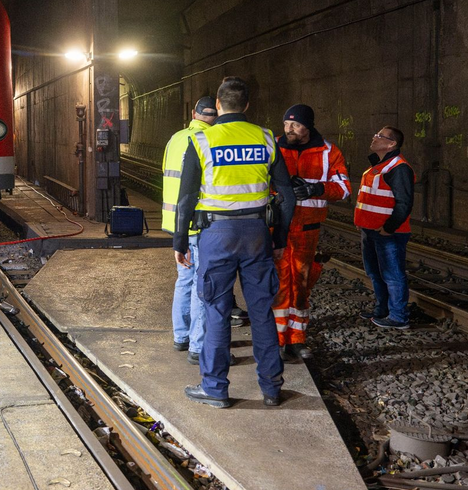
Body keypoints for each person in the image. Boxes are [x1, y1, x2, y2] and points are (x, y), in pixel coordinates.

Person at [174, 76, 295, 408]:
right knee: (261, 311)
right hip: (257, 234)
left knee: (216, 310)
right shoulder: (266, 138)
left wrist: (179, 241)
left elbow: (185, 199)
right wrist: (280, 238)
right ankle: (271, 388)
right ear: (247, 105)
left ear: (217, 103)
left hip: (216, 235)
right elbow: (286, 195)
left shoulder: (202, 140)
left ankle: (215, 389)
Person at [273, 104, 350, 360]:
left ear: (309, 126)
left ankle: (297, 339)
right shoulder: (273, 146)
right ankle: (277, 339)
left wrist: (316, 188)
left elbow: (344, 188)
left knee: (302, 282)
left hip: (307, 228)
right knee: (279, 282)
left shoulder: (329, 151)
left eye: (295, 124)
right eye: (286, 124)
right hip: (278, 226)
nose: (288, 129)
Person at [162, 96, 217, 361]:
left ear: (194, 113)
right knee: (201, 283)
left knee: (184, 280)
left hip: (176, 222)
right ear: (215, 116)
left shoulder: (175, 138)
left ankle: (180, 337)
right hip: (200, 222)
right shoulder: (210, 140)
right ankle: (198, 345)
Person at [355, 125, 415, 329]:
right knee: (375, 272)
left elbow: (404, 203)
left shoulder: (398, 167)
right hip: (370, 230)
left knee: (392, 274)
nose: (374, 137)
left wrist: (388, 228)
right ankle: (382, 310)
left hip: (388, 233)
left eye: (380, 136)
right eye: (375, 134)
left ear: (392, 144)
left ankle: (398, 317)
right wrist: (363, 224)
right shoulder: (378, 166)